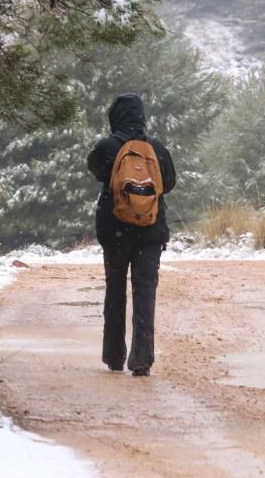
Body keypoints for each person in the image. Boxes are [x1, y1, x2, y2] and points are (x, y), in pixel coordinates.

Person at [87, 93, 176, 377]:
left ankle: (114, 355)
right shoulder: (157, 149)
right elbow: (170, 183)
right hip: (150, 232)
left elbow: (96, 171)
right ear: (141, 117)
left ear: (114, 118)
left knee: (115, 291)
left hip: (115, 232)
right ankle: (142, 359)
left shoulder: (107, 147)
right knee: (145, 292)